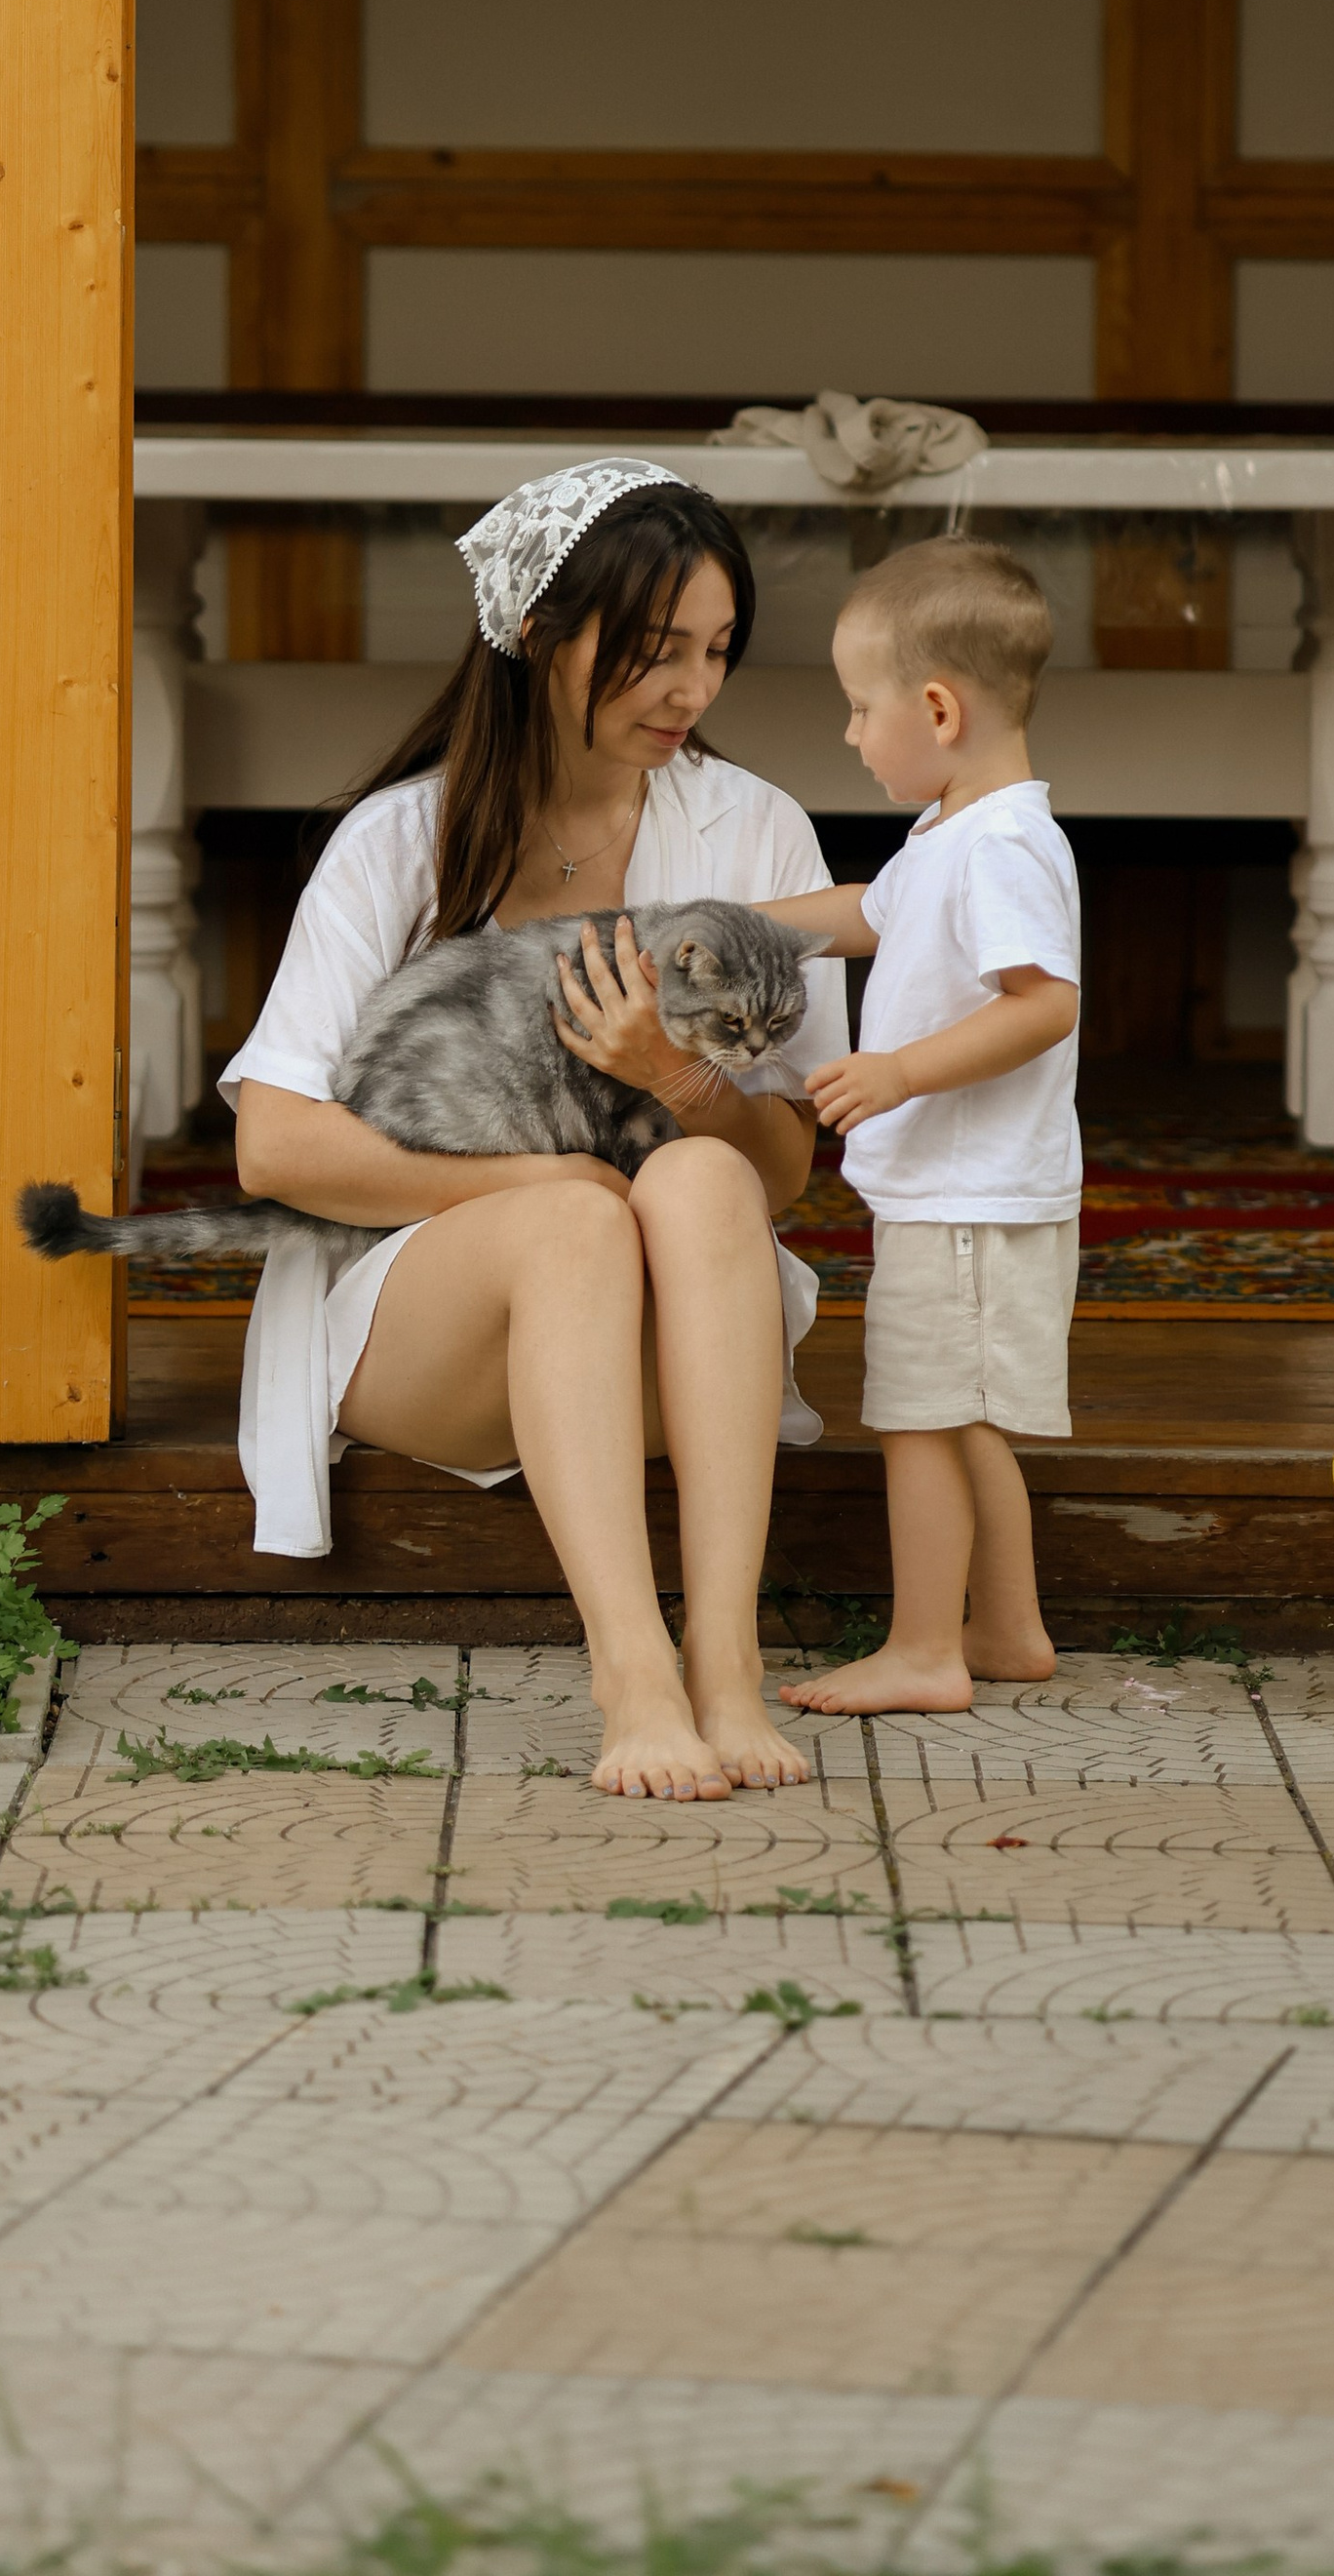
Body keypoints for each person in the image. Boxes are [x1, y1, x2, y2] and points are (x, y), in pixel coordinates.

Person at [220, 459, 845, 1802]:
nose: (692, 692)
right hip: (431, 1329)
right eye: (653, 653)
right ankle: (633, 1674)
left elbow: (785, 1174)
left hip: (675, 1332)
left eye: (718, 653)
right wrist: (547, 1170)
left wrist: (675, 1081)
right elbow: (274, 1149)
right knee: (577, 1215)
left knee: (690, 1182)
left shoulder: (755, 831)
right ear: (537, 634)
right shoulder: (401, 841)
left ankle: (726, 1665)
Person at [759, 536, 1081, 1718]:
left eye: (858, 708)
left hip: (971, 1194)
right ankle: (1006, 1630)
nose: (849, 734)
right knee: (957, 1421)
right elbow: (864, 913)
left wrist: (898, 1071)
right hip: (955, 1195)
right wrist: (733, 921)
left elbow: (1044, 1004)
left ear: (937, 707)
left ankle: (923, 1650)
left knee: (917, 1423)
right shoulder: (952, 833)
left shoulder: (1001, 845)